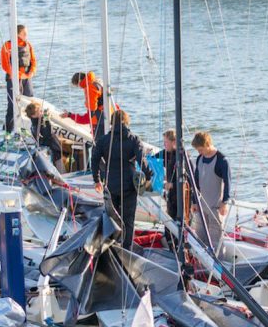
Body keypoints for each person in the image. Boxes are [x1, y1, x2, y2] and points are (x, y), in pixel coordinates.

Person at [91, 109, 150, 251]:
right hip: (129, 186)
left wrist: (96, 180)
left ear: (112, 122)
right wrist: (148, 176)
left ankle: (113, 248)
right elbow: (141, 160)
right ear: (126, 121)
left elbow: (94, 159)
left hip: (111, 185)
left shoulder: (104, 140)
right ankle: (127, 249)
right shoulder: (133, 139)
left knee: (112, 218)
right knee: (128, 220)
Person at [189, 131, 231, 255]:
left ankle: (219, 263)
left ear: (207, 144)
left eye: (200, 149)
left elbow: (228, 182)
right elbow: (196, 182)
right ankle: (200, 263)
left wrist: (225, 202)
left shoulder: (222, 160)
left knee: (216, 242)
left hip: (215, 207)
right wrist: (194, 201)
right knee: (200, 238)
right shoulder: (200, 159)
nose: (199, 152)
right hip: (201, 206)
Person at [1, 24, 37, 133]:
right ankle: (8, 132)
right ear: (17, 34)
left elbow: (33, 61)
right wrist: (17, 75)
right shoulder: (8, 45)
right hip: (13, 79)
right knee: (13, 105)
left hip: (26, 78)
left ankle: (27, 129)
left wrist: (30, 73)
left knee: (29, 104)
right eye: (24, 33)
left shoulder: (28, 45)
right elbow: (5, 65)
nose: (26, 35)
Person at [161, 128, 188, 226]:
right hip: (171, 197)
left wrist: (172, 185)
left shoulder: (181, 156)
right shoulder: (169, 154)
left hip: (180, 197)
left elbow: (187, 178)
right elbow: (155, 158)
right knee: (169, 224)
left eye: (166, 142)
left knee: (179, 223)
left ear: (173, 142)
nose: (164, 144)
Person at [71, 71, 106, 139]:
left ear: (80, 81)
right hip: (106, 116)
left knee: (99, 143)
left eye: (77, 85)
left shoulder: (90, 87)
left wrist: (70, 115)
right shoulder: (97, 81)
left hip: (99, 121)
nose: (80, 87)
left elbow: (91, 112)